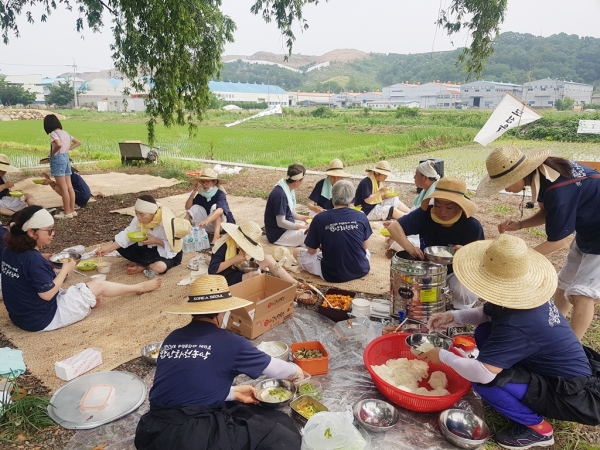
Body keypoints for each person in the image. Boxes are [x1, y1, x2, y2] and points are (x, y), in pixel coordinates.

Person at [422, 234, 600, 449]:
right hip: (550, 369)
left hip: (567, 392)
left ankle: (539, 430)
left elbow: (482, 373)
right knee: (486, 330)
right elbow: (486, 314)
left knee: (485, 383)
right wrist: (453, 317)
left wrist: (441, 355)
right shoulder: (522, 298)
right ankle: (514, 383)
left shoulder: (517, 323)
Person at [134, 275, 304, 450]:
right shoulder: (231, 342)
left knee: (240, 408)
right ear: (222, 312)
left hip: (151, 432)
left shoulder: (173, 337)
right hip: (191, 439)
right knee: (281, 431)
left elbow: (188, 384)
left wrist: (232, 393)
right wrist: (297, 370)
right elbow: (277, 370)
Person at [477, 146, 600, 340]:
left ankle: (571, 349)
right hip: (588, 229)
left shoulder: (558, 190)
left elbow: (556, 242)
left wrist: (522, 259)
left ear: (521, 174)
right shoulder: (544, 175)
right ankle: (553, 331)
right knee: (564, 282)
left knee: (582, 294)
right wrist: (519, 224)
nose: (506, 188)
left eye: (506, 183)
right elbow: (546, 212)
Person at [0, 206, 163, 332]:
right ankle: (139, 287)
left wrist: (45, 259)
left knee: (81, 290)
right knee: (97, 285)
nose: (53, 233)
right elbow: (47, 294)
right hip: (43, 319)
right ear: (31, 232)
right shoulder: (32, 259)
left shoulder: (10, 250)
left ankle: (86, 302)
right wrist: (65, 269)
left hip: (20, 316)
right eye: (49, 230)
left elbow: (27, 273)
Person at [385, 177, 484, 309]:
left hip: (458, 271)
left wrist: (465, 253)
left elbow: (481, 259)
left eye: (449, 207)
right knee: (416, 299)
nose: (442, 212)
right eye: (438, 205)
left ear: (460, 206)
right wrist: (410, 248)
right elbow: (393, 227)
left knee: (464, 293)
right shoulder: (425, 215)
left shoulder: (472, 226)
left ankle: (461, 304)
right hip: (428, 269)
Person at [293, 180, 372, 283]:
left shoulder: (319, 218)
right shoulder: (361, 216)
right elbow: (365, 246)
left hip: (332, 274)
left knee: (296, 251)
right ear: (352, 198)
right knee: (366, 251)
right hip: (361, 269)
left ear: (333, 195)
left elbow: (311, 251)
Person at [98, 195, 191, 277]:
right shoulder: (139, 218)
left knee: (160, 267)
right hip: (146, 248)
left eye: (141, 214)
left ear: (152, 213)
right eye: (136, 213)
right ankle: (145, 262)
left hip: (165, 251)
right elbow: (127, 234)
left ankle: (144, 266)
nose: (138, 217)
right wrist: (108, 249)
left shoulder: (166, 223)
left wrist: (156, 241)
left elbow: (174, 246)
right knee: (118, 242)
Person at [208, 221, 296, 285]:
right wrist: (234, 259)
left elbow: (241, 264)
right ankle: (275, 290)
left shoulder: (238, 245)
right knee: (255, 275)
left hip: (238, 270)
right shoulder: (224, 245)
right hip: (224, 278)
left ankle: (295, 284)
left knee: (268, 259)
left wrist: (244, 263)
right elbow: (212, 270)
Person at [43, 114, 80, 219]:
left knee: (63, 189)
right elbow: (78, 142)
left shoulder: (53, 133)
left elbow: (58, 144)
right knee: (69, 187)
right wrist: (67, 149)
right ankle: (72, 210)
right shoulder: (65, 133)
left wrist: (53, 153)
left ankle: (67, 213)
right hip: (66, 159)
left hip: (58, 160)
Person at [264, 164, 310, 247]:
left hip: (285, 228)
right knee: (309, 233)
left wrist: (303, 218)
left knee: (310, 226)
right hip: (278, 234)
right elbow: (281, 222)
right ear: (297, 181)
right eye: (302, 180)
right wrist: (303, 227)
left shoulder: (286, 188)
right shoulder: (280, 195)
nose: (303, 182)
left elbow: (288, 212)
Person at [184, 168, 235, 244]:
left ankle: (216, 237)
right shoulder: (200, 195)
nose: (204, 184)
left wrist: (207, 220)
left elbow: (220, 210)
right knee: (194, 208)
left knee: (215, 208)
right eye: (202, 181)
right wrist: (193, 194)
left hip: (222, 225)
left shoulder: (220, 194)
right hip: (206, 224)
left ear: (214, 182)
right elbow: (187, 207)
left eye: (207, 181)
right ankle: (185, 232)